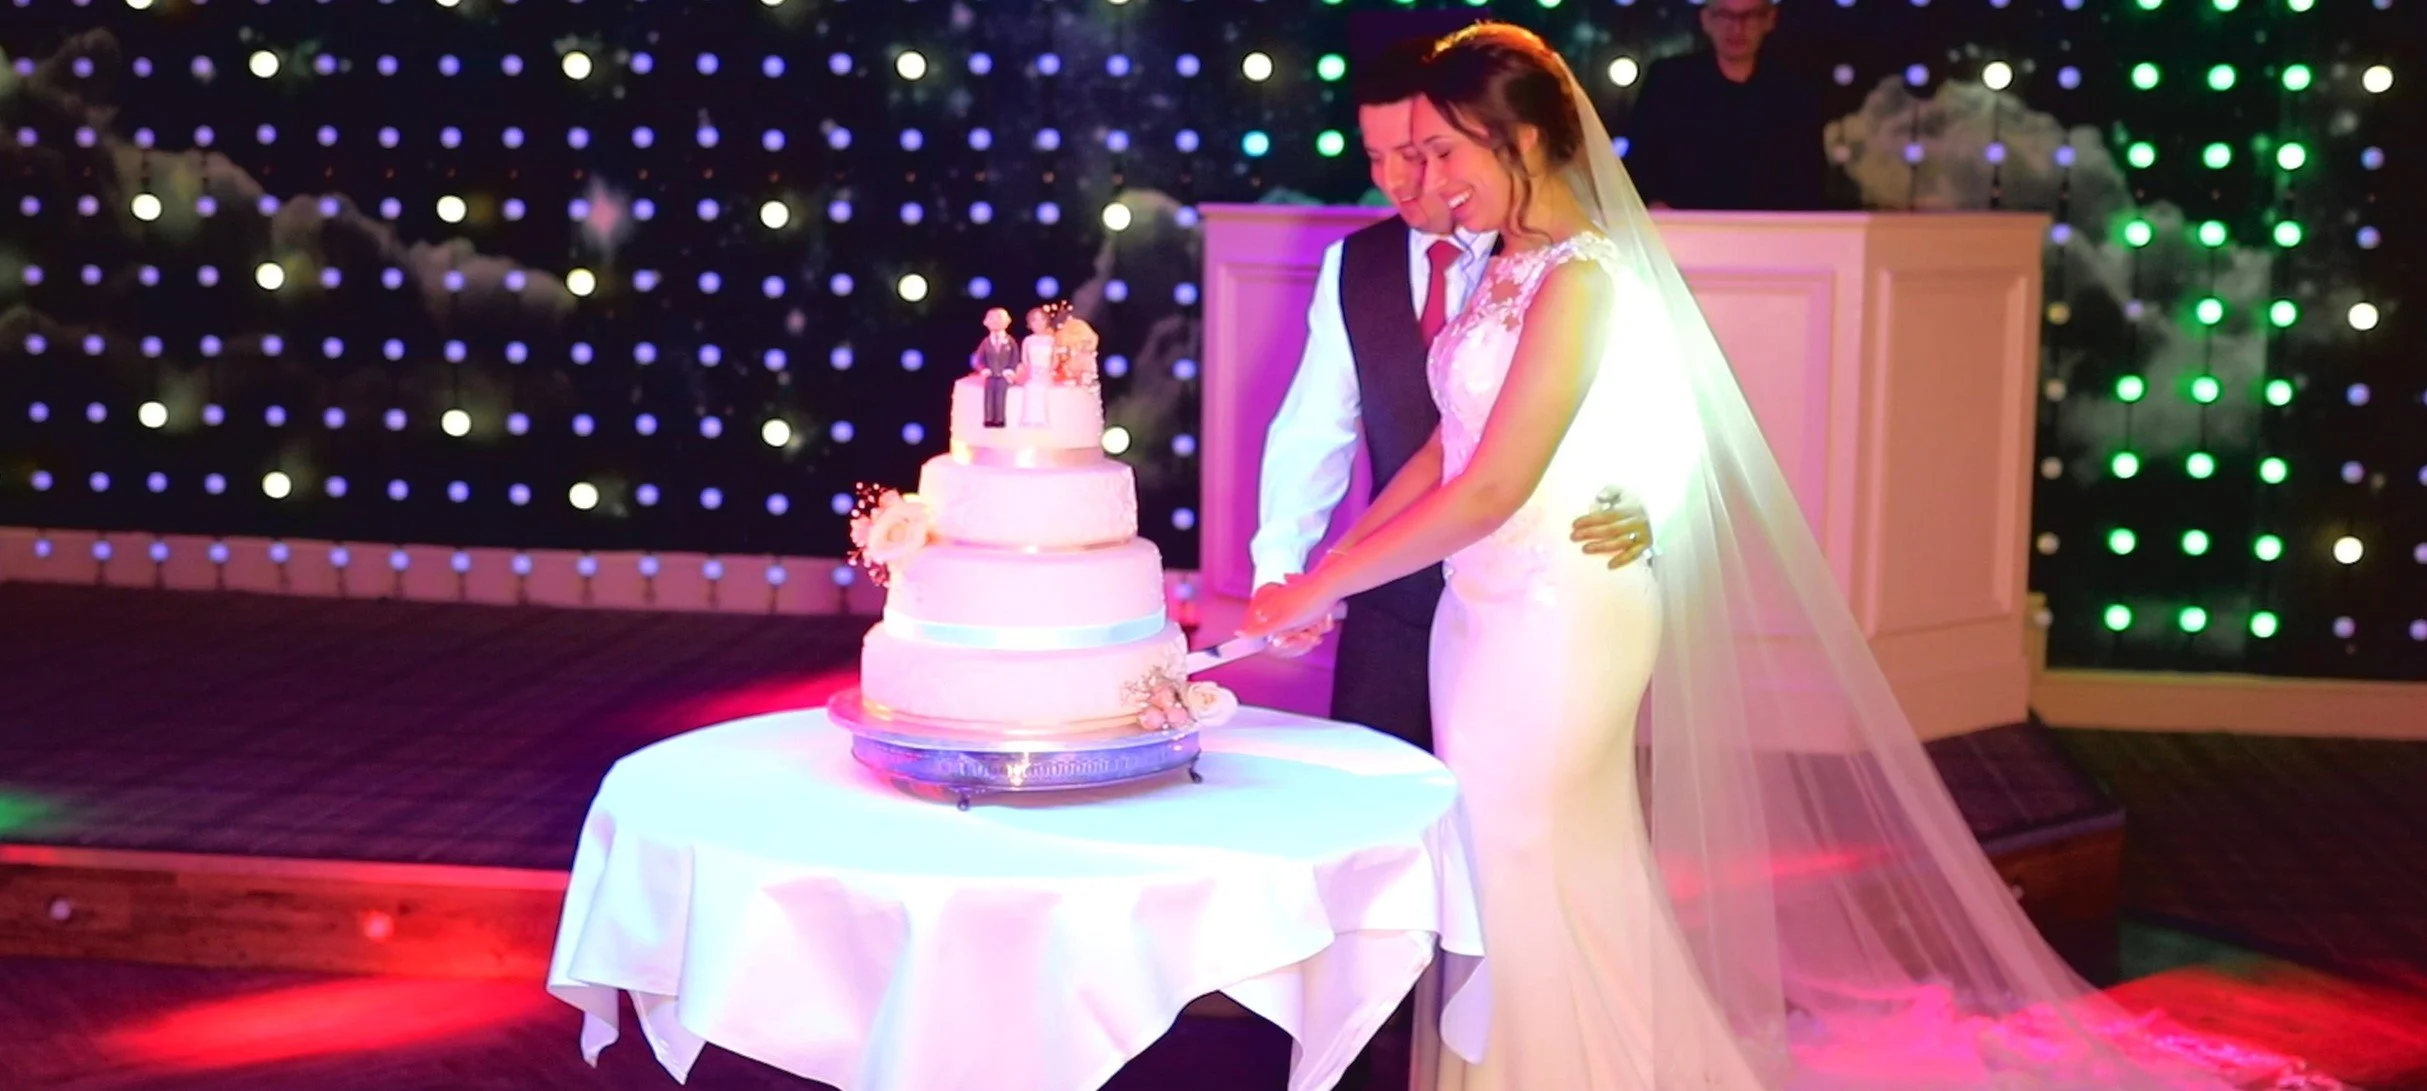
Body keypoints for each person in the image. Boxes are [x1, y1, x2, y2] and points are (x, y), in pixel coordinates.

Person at [1244, 21, 2325, 1091]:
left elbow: (1499, 482)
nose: (1422, 178)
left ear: (1521, 143)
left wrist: (1329, 582)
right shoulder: (1506, 267)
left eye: (1442, 151)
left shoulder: (1585, 278)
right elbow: (1446, 446)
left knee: (1524, 861)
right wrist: (1329, 563)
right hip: (1479, 621)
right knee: (1527, 874)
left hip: (1560, 618)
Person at [1251, 33, 1653, 759]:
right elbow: (1320, 430)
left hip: (1542, 600)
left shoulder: (1564, 261)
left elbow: (1656, 416)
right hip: (1408, 607)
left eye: (1424, 152)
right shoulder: (1364, 264)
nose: (1405, 180)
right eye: (1379, 159)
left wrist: (1651, 505)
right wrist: (1304, 570)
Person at [1623, 0, 1828, 211]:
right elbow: (1641, 163)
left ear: (1770, 19)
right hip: (1683, 232)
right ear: (1706, 19)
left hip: (1771, 233)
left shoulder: (1795, 91)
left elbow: (1809, 179)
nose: (1737, 28)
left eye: (1750, 16)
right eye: (1725, 16)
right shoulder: (1669, 81)